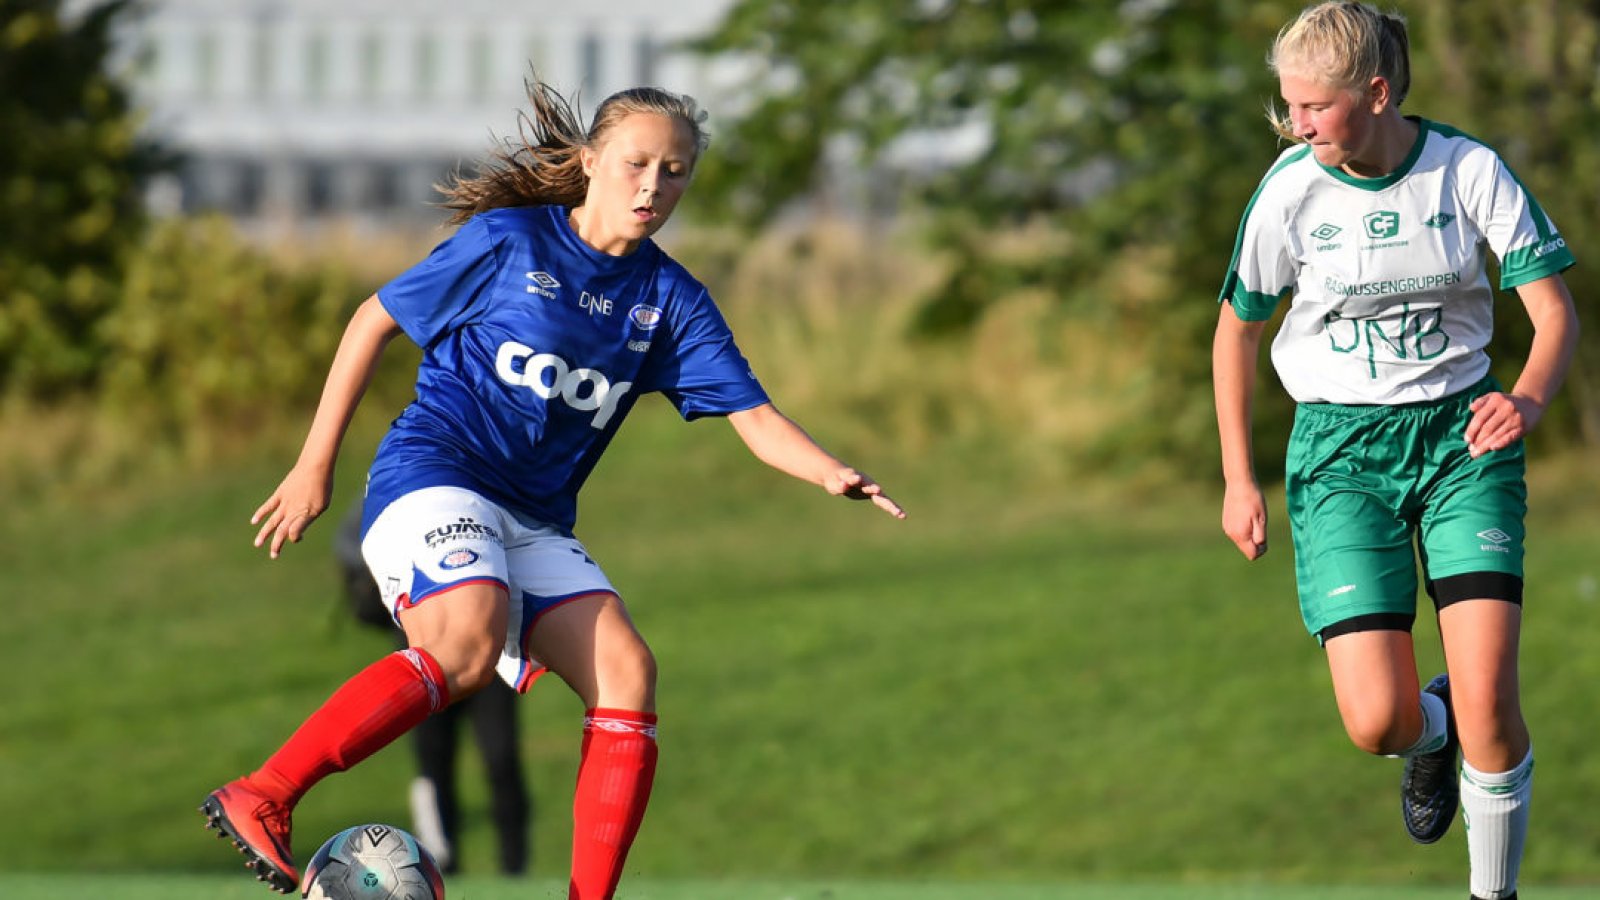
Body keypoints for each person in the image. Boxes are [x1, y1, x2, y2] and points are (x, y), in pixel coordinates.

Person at [199, 78, 906, 899]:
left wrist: (830, 471)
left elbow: (753, 416)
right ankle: (267, 793)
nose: (653, 186)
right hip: (436, 475)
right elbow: (374, 320)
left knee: (627, 674)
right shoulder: (510, 243)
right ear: (590, 162)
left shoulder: (670, 300)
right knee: (463, 646)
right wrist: (312, 464)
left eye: (674, 172)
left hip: (531, 519)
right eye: (637, 163)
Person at [1213, 4, 1579, 900]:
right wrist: (1237, 477)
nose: (1294, 124)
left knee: (1495, 703)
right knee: (1378, 720)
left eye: (1312, 107)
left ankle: (1495, 894)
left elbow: (1554, 311)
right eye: (1289, 106)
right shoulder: (1290, 191)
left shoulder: (1468, 170)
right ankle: (1431, 728)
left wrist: (1525, 399)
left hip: (1463, 444)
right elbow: (1234, 334)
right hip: (1340, 455)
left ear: (1375, 93)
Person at [334, 506, 531, 877]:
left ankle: (515, 868)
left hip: (490, 658)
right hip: (421, 656)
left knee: (502, 759)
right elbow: (350, 543)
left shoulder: (479, 495)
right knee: (433, 767)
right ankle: (442, 863)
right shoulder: (397, 497)